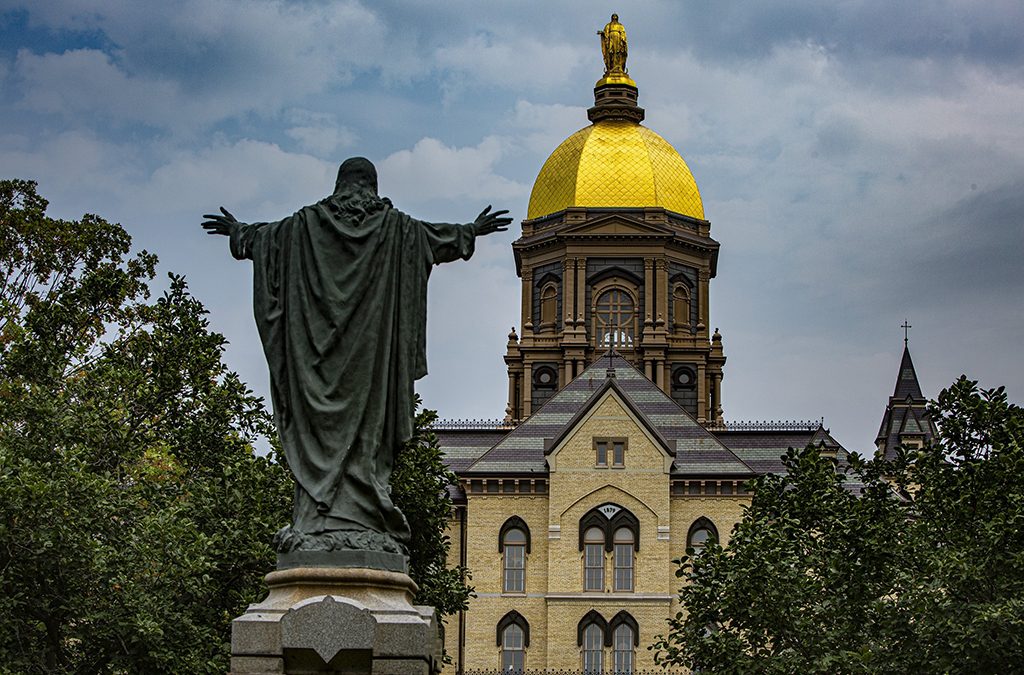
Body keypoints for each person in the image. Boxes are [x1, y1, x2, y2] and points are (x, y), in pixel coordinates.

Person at [202, 157, 511, 562]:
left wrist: (241, 233)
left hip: (316, 364)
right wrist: (470, 230)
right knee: (371, 433)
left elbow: (267, 239)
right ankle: (347, 517)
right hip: (372, 363)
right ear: (371, 187)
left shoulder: (303, 227)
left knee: (323, 431)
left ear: (339, 185)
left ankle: (321, 516)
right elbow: (436, 239)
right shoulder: (396, 229)